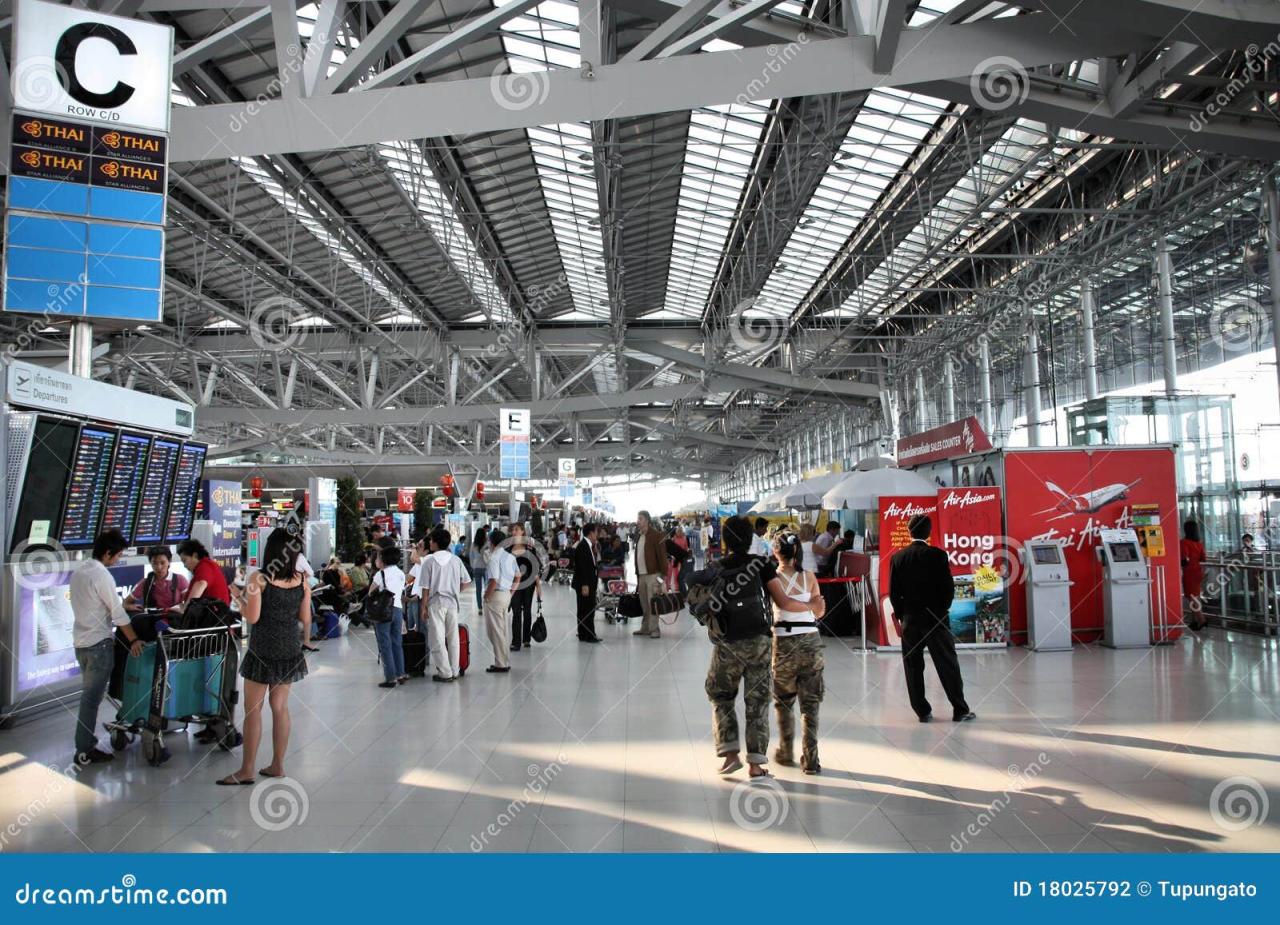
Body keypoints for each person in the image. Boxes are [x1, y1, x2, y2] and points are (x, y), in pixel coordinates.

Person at [693, 515, 823, 778]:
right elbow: (783, 602)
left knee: (721, 696)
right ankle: (756, 763)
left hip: (727, 643)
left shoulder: (717, 567)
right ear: (751, 538)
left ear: (726, 540)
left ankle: (730, 753)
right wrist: (811, 606)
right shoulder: (760, 565)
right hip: (759, 643)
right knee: (757, 701)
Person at [218, 528, 309, 785]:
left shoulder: (259, 578)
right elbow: (304, 617)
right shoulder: (301, 579)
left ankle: (247, 770)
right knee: (280, 707)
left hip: (263, 649)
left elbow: (253, 617)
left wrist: (237, 597)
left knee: (252, 710)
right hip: (289, 648)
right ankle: (278, 764)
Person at [889, 514, 976, 723]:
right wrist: (941, 610)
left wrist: (903, 615)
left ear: (909, 532)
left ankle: (922, 712)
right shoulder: (938, 555)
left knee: (913, 666)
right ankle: (960, 709)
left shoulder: (898, 557)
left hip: (910, 619)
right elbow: (948, 588)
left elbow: (894, 593)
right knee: (947, 664)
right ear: (928, 533)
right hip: (935, 619)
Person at [70, 529, 142, 764]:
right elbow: (117, 612)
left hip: (80, 644)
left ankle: (85, 745)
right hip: (99, 645)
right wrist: (133, 639)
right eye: (118, 555)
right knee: (91, 700)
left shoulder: (80, 572)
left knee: (89, 697)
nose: (118, 560)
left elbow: (97, 604)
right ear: (108, 553)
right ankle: (85, 749)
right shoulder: (102, 576)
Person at [771, 532, 826, 774]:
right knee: (810, 703)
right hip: (811, 642)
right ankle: (811, 759)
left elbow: (782, 604)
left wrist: (796, 605)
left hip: (783, 643)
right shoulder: (810, 576)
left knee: (783, 701)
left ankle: (785, 751)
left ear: (775, 552)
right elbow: (820, 610)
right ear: (797, 553)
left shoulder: (772, 579)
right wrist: (809, 605)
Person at [417, 527, 472, 682]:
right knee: (453, 637)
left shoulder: (429, 561)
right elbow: (466, 582)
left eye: (431, 540)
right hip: (452, 603)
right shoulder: (456, 560)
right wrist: (455, 591)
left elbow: (425, 588)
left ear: (434, 543)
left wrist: (423, 607)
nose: (430, 543)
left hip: (435, 603)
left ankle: (444, 672)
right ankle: (454, 670)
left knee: (437, 639)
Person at [369, 544, 407, 688]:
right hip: (397, 610)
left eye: (378, 558)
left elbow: (370, 592)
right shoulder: (400, 573)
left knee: (385, 644)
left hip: (383, 612)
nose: (376, 560)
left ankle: (390, 677)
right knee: (397, 642)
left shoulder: (381, 574)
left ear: (384, 559)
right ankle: (401, 673)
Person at [484, 530, 518, 672]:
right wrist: (510, 593)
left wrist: (486, 596)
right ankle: (504, 660)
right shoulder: (510, 557)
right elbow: (518, 577)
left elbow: (493, 580)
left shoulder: (494, 558)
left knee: (495, 631)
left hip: (495, 596)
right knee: (503, 630)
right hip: (506, 596)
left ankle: (501, 664)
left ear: (492, 542)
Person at [507, 523, 543, 651]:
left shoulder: (529, 548)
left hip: (529, 582)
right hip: (514, 583)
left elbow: (535, 567)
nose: (514, 532)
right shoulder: (508, 548)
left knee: (527, 610)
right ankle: (516, 641)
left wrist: (538, 586)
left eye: (516, 529)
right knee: (516, 611)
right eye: (513, 529)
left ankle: (526, 639)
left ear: (522, 531)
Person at [633, 510, 669, 639]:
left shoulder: (656, 535)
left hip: (654, 575)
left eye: (640, 519)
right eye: (638, 519)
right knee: (644, 603)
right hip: (641, 575)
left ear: (647, 521)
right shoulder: (639, 536)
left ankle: (655, 629)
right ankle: (645, 627)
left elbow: (662, 557)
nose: (638, 521)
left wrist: (662, 577)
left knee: (652, 602)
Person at [123, 545, 189, 613]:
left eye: (162, 563)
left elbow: (190, 604)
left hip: (174, 619)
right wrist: (130, 607)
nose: (159, 567)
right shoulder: (146, 582)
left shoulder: (180, 580)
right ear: (150, 563)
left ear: (169, 561)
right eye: (154, 563)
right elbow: (125, 603)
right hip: (152, 620)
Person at [573, 523, 602, 643]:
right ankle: (589, 635)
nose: (597, 535)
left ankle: (583, 633)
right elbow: (582, 567)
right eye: (596, 532)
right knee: (587, 609)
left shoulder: (589, 545)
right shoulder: (583, 546)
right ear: (591, 533)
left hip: (589, 583)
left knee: (585, 608)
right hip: (585, 584)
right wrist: (585, 584)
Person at [1181, 519, 1207, 632]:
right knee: (1195, 596)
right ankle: (1195, 621)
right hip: (1198, 571)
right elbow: (1203, 558)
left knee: (1191, 596)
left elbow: (1184, 559)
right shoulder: (1199, 544)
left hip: (1189, 572)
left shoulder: (1184, 543)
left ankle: (1201, 619)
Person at [469, 526, 490, 612]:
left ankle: (479, 608)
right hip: (486, 568)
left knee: (478, 589)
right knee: (487, 587)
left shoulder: (474, 544)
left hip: (476, 567)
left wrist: (472, 566)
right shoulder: (487, 544)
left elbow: (471, 556)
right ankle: (486, 604)